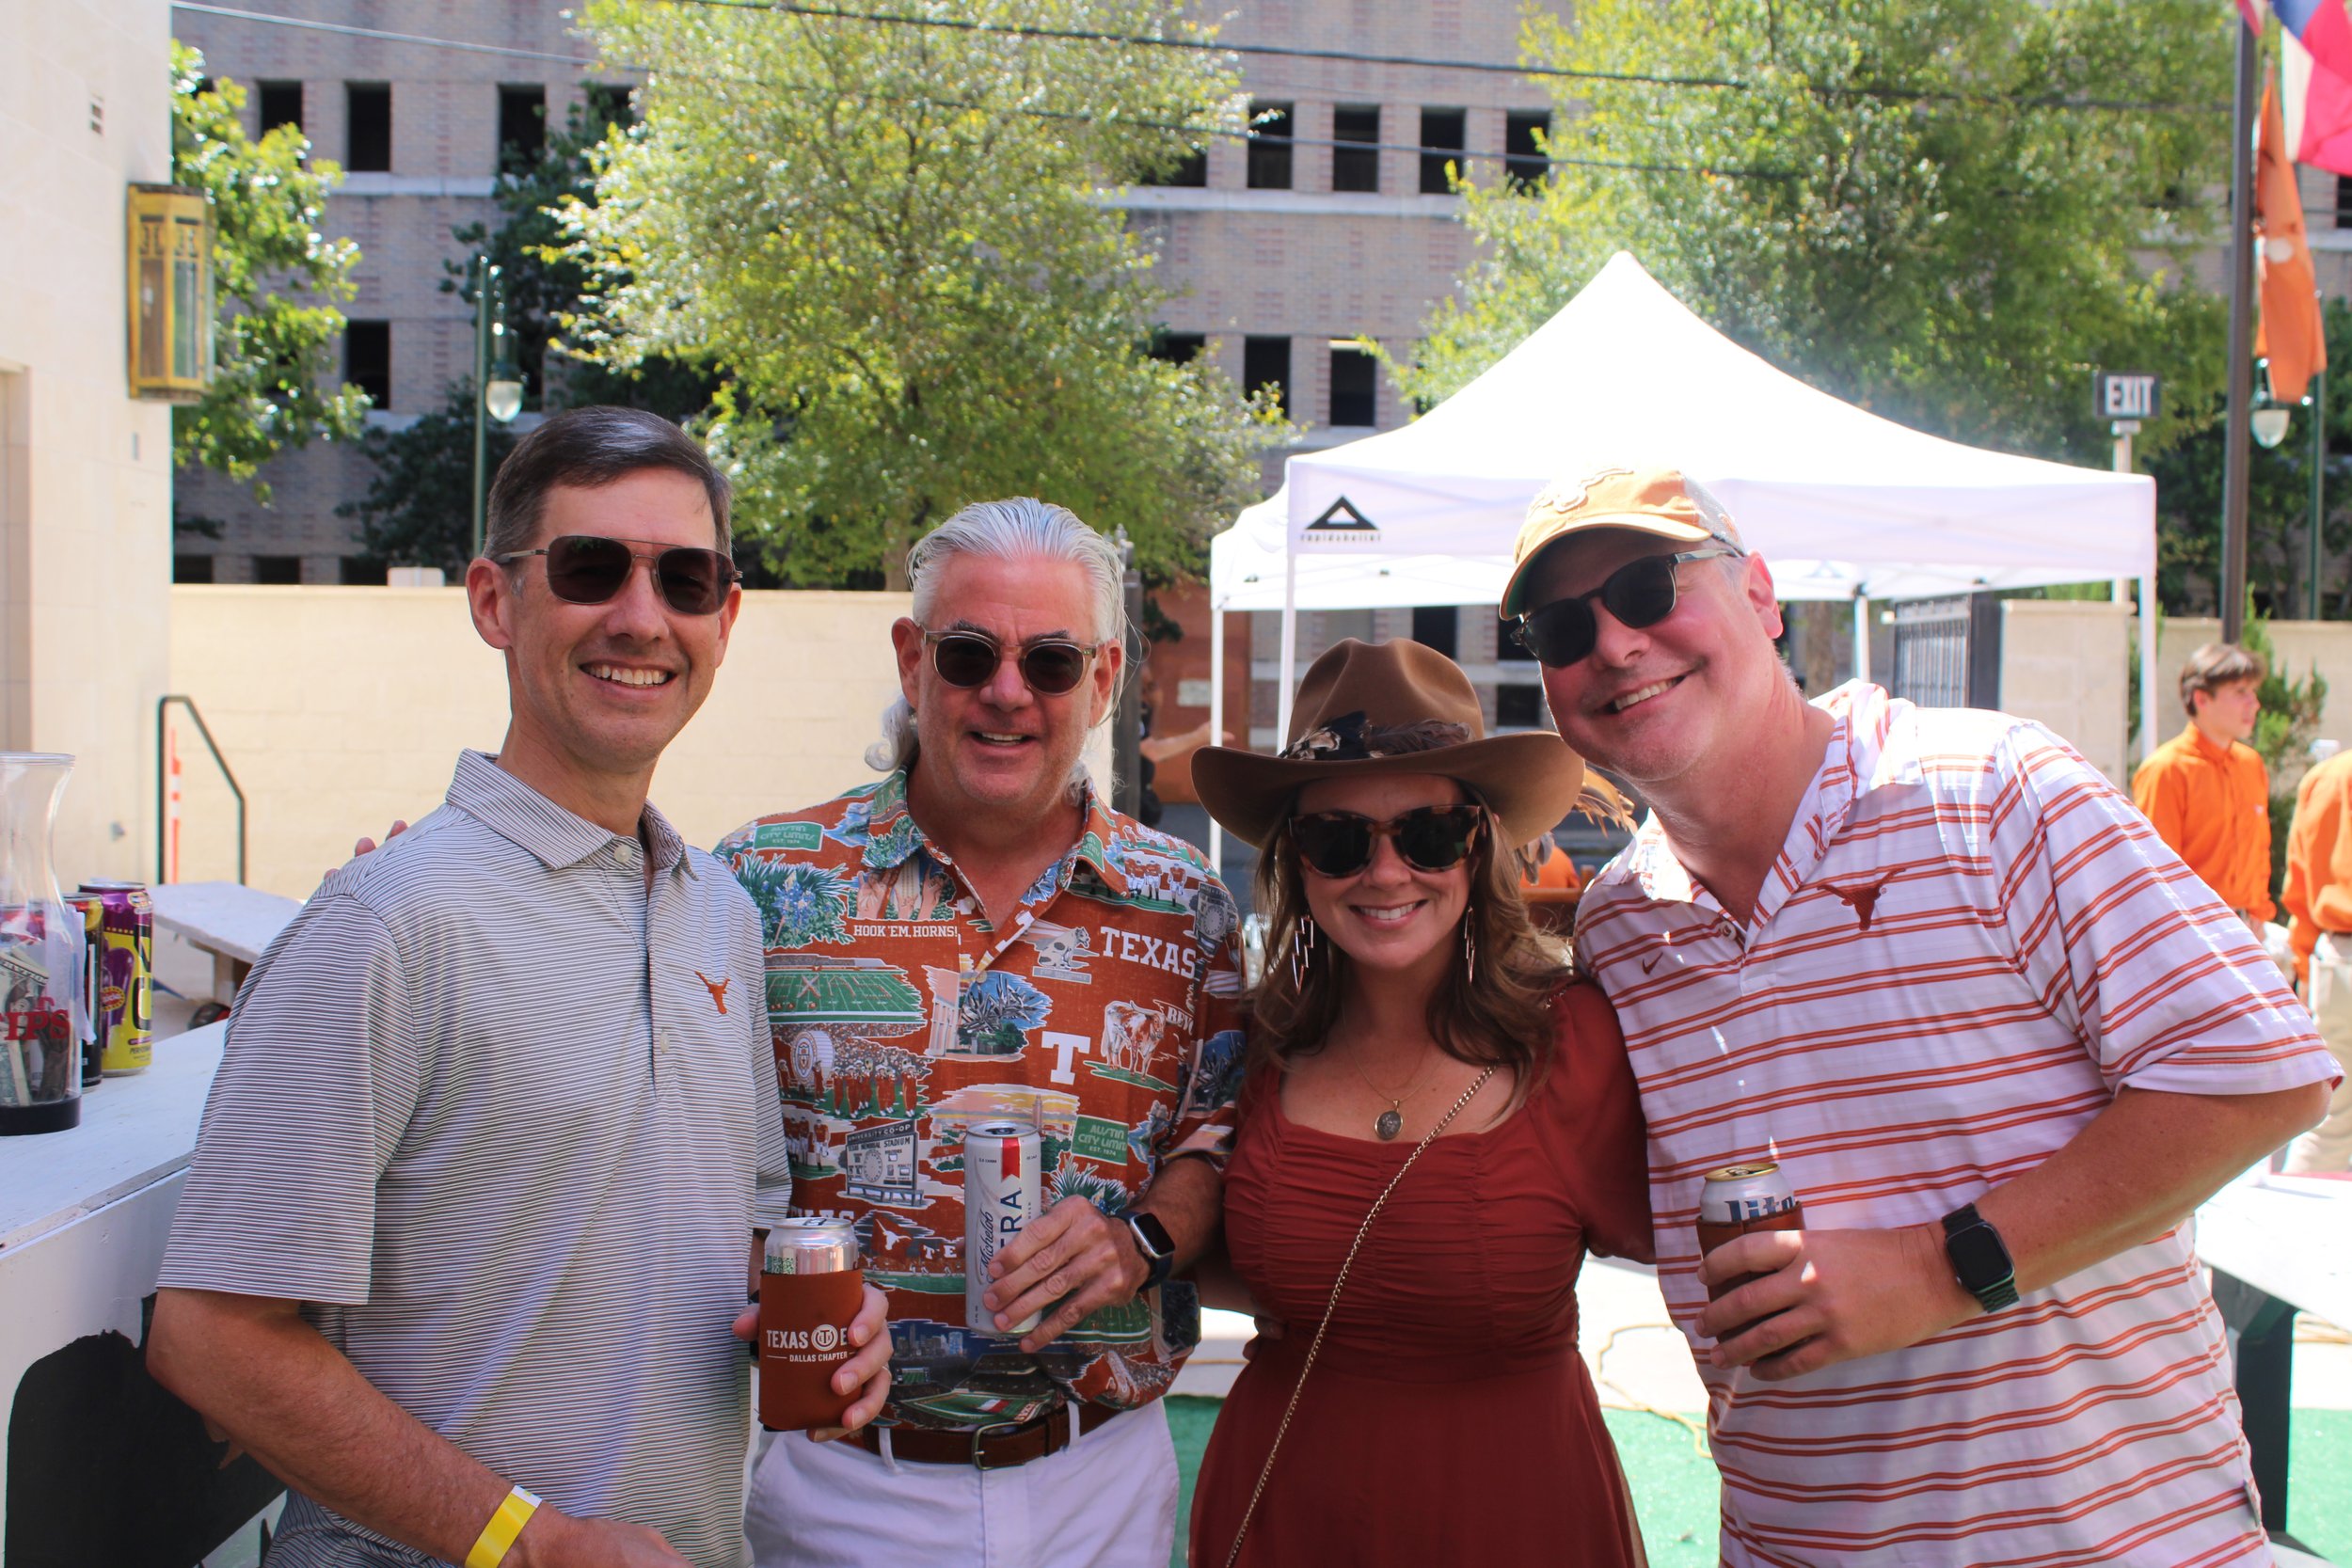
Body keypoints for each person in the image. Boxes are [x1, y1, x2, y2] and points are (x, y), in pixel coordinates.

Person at [1502, 465, 2336, 1567]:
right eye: (1564, 624)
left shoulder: (1989, 791)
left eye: (1650, 586)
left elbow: (2261, 1073)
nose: (1612, 641)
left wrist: (1940, 1268)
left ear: (1759, 595)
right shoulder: (1620, 930)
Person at [147, 407, 891, 1568]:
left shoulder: (720, 915)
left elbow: (728, 1242)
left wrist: (827, 1325)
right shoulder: (386, 921)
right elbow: (211, 1341)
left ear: (725, 616)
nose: (642, 617)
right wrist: (529, 1540)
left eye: (686, 578)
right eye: (593, 568)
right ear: (495, 600)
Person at [719, 498, 1245, 1568]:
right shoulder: (762, 884)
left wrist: (1138, 1241)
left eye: (1050, 662)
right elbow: (678, 1149)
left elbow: (1214, 1139)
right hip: (838, 1477)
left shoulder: (1185, 902)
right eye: (969, 653)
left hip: (1097, 1475)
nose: (1007, 692)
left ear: (1100, 681)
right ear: (914, 660)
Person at [1185, 637, 1651, 1568]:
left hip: (1519, 1520)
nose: (1386, 870)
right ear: (1294, 860)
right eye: (1339, 837)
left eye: (1427, 832)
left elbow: (1710, 1245)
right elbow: (1205, 1245)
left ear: (1477, 844)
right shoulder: (1257, 1045)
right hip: (1285, 1513)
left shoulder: (1578, 1044)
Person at [2133, 641, 2276, 929]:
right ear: (2201, 699)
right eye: (2240, 693)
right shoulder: (2167, 769)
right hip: (2191, 933)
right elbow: (2154, 872)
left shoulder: (2251, 764)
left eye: (2253, 692)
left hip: (2247, 930)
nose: (2254, 703)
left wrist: (2258, 916)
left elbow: (2259, 855)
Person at [2284, 741, 2352, 1171]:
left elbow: (2299, 882)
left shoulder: (2326, 776)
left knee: (2327, 1121)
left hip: (2337, 954)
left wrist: (2304, 966)